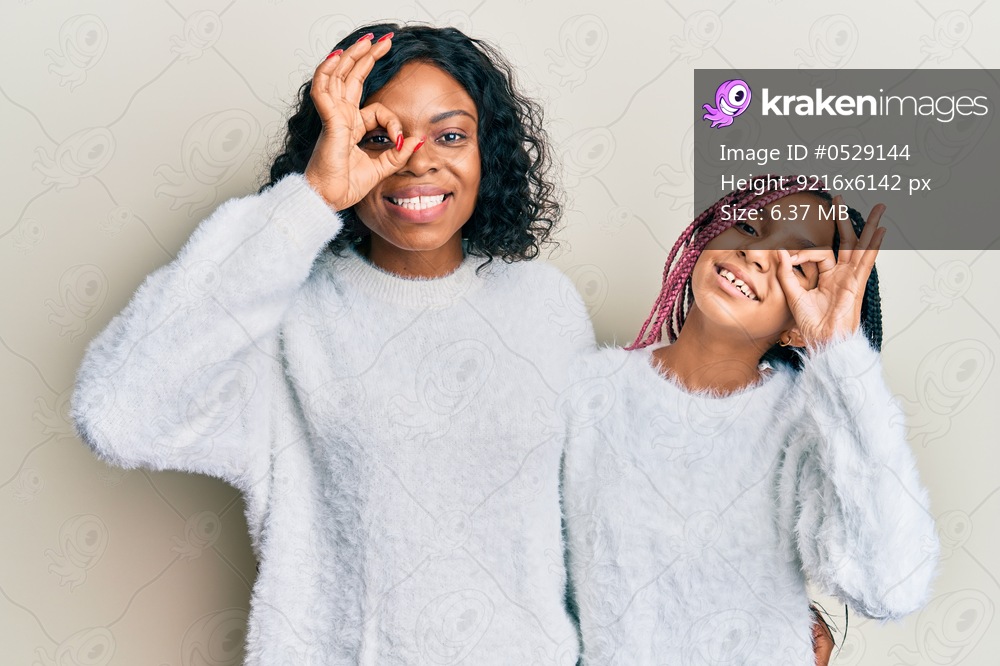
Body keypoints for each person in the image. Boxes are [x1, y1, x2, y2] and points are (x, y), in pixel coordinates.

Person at [72, 24, 596, 664]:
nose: (418, 159)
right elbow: (120, 415)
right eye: (381, 137)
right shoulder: (287, 313)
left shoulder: (547, 305)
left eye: (451, 134)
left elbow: (586, 528)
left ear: (490, 152)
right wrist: (311, 200)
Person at [562, 177, 940, 664]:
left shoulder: (810, 427)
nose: (757, 254)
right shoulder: (584, 392)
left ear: (794, 327)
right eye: (746, 226)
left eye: (797, 263)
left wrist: (840, 352)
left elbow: (891, 586)